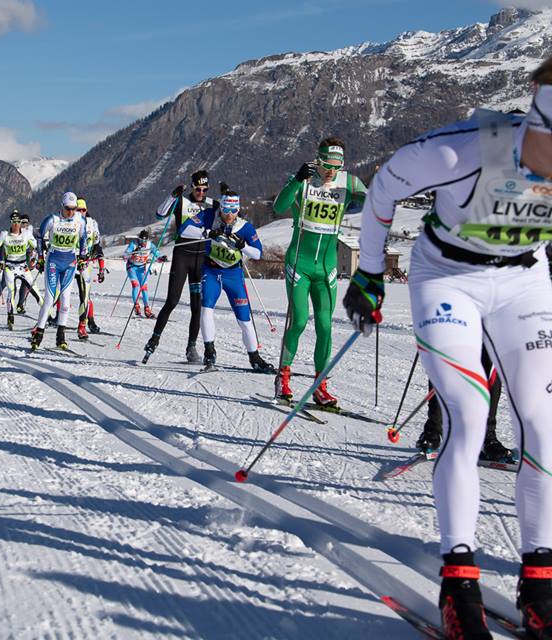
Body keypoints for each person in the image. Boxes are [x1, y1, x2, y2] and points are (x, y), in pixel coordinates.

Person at [342, 57, 552, 638]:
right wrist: (368, 274)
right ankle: (458, 583)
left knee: (542, 418)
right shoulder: (460, 151)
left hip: (524, 281)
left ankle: (540, 582)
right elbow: (384, 186)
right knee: (470, 412)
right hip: (447, 278)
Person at [272, 138, 368, 406]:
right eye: (326, 164)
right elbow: (278, 207)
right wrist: (295, 181)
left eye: (337, 165)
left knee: (325, 326)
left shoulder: (348, 183)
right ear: (318, 159)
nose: (330, 171)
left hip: (327, 268)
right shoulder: (303, 179)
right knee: (300, 321)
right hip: (299, 263)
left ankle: (320, 385)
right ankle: (283, 377)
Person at [143, 170, 218, 364]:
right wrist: (173, 195)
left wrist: (228, 196)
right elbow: (160, 214)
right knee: (172, 301)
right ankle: (154, 339)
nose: (201, 192)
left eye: (205, 189)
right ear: (192, 187)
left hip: (201, 259)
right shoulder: (182, 202)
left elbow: (232, 213)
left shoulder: (212, 204)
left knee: (197, 306)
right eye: (198, 189)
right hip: (182, 256)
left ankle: (191, 347)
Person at [201, 192, 275, 373]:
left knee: (244, 319)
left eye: (233, 210)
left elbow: (258, 254)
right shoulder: (211, 218)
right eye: (226, 209)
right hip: (211, 271)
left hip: (233, 275)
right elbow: (185, 230)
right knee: (206, 308)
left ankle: (255, 358)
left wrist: (243, 246)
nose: (229, 214)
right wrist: (208, 233)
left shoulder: (245, 227)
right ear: (221, 208)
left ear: (238, 209)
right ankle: (209, 352)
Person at [31, 192, 88, 350]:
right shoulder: (52, 219)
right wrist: (41, 258)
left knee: (65, 301)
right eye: (68, 209)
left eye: (74, 209)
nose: (71, 212)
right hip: (54, 260)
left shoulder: (80, 220)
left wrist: (83, 256)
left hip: (70, 261)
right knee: (49, 299)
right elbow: (39, 238)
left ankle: (60, 337)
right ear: (62, 206)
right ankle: (39, 333)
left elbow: (83, 239)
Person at [0, 210, 43, 314]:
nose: (24, 225)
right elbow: (2, 248)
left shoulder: (29, 231)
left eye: (25, 223)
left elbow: (38, 243)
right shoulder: (8, 234)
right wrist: (1, 259)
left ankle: (20, 305)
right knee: (5, 284)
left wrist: (36, 256)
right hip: (10, 263)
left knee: (26, 284)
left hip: (25, 261)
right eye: (22, 222)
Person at [75, 198, 105, 339]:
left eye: (83, 210)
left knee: (85, 296)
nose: (81, 212)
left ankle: (86, 324)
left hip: (85, 263)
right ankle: (49, 320)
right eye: (78, 210)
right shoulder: (69, 222)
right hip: (69, 262)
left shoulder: (92, 224)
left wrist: (101, 268)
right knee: (59, 293)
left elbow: (98, 246)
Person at [123, 230, 159, 318]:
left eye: (145, 241)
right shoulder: (134, 244)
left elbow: (157, 254)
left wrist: (158, 258)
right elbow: (125, 255)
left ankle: (147, 309)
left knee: (144, 287)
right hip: (132, 267)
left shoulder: (150, 245)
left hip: (141, 268)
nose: (143, 243)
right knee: (136, 285)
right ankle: (136, 306)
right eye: (141, 240)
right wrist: (132, 253)